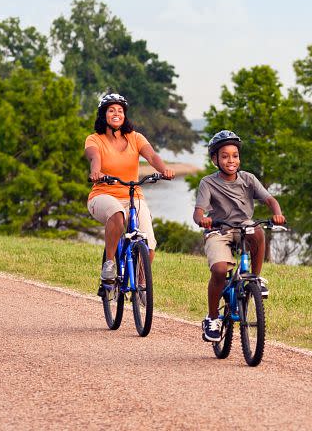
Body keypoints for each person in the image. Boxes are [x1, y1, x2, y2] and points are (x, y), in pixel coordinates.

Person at [194, 129, 285, 342]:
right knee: (218, 270)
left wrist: (277, 214)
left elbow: (270, 199)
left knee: (257, 230)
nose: (231, 160)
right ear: (215, 159)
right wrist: (203, 219)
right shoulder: (208, 182)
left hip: (243, 226)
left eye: (235, 155)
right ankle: (213, 318)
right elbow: (198, 211)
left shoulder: (248, 179)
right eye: (224, 156)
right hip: (218, 229)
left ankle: (255, 277)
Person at [84, 93, 174, 283]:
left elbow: (152, 157)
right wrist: (96, 172)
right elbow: (95, 157)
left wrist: (164, 169)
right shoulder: (94, 139)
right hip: (103, 195)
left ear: (125, 115)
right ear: (103, 115)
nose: (116, 114)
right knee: (117, 214)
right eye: (111, 110)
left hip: (134, 196)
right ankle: (109, 263)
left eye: (120, 110)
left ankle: (141, 285)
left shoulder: (136, 138)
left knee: (149, 245)